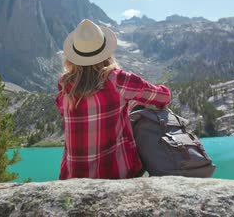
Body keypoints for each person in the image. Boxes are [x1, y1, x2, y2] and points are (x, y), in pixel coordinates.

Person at [55, 19, 171, 179]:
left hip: (73, 176)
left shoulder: (64, 83)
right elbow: (164, 97)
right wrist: (135, 102)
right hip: (116, 174)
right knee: (138, 118)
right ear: (105, 51)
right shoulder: (118, 79)